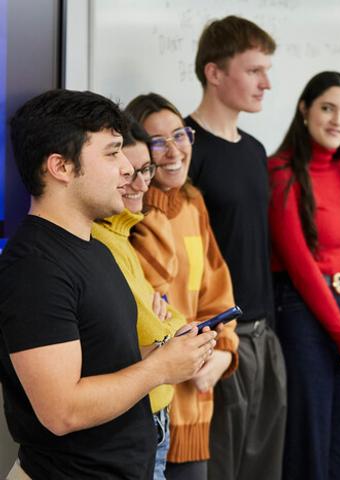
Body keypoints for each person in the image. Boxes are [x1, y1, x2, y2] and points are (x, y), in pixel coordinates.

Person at [0, 89, 216, 479]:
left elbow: (107, 358)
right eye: (112, 153)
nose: (127, 169)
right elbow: (62, 410)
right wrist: (160, 369)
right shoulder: (34, 267)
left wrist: (169, 349)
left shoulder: (96, 249)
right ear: (61, 167)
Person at [268, 71, 340, 480]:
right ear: (305, 110)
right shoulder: (280, 172)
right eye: (328, 109)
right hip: (304, 317)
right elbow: (299, 267)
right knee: (309, 446)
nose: (339, 120)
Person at [185, 15, 287, 480]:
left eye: (267, 71)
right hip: (217, 339)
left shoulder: (254, 150)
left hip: (265, 333)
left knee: (263, 469)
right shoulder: (182, 152)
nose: (266, 83)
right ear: (214, 72)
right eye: (254, 71)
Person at [126, 93, 240, 479]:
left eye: (181, 135)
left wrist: (224, 350)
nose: (174, 150)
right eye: (157, 141)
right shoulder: (126, 216)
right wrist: (149, 205)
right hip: (147, 408)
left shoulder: (193, 205)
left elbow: (215, 291)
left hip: (195, 402)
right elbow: (152, 296)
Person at [91, 119, 188, 480]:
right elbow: (154, 334)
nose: (141, 183)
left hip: (153, 415)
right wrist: (167, 325)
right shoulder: (101, 240)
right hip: (135, 417)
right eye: (128, 171)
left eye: (145, 170)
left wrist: (166, 322)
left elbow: (172, 318)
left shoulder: (123, 233)